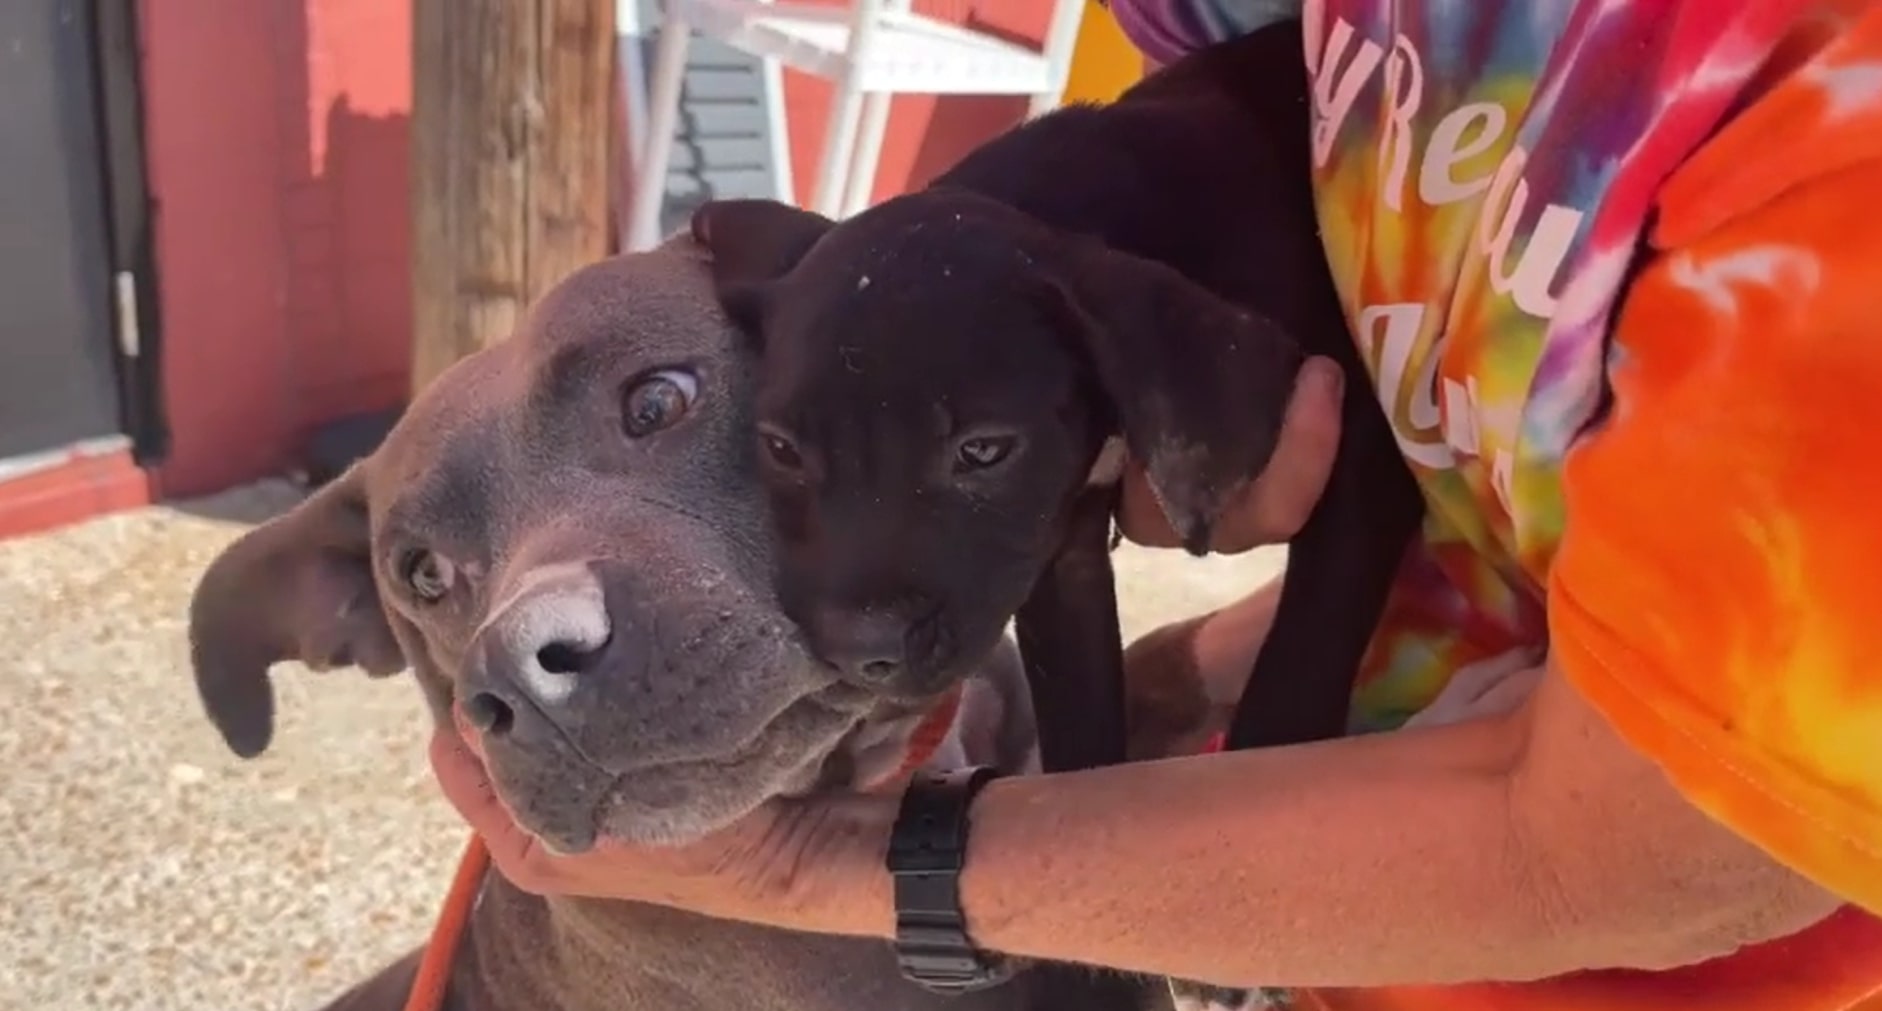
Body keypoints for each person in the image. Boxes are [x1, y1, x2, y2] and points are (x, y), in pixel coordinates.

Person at [432, 0, 1882, 1007]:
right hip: (1309, 913)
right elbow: (1530, 484)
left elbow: (1628, 856)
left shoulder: (1834, 141)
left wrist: (809, 868)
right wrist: (1177, 680)